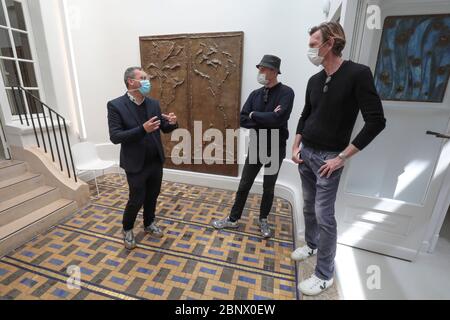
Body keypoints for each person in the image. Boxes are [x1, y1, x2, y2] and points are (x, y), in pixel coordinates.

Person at [291, 22, 386, 296]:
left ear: (330, 43)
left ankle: (324, 274)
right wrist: (296, 145)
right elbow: (305, 114)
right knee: (309, 206)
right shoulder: (315, 79)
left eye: (313, 44)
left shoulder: (358, 74)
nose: (310, 50)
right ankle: (311, 244)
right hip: (306, 153)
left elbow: (376, 121)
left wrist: (342, 157)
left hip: (329, 158)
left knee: (324, 215)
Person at [211, 55, 295, 239]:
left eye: (263, 69)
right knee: (244, 184)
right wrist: (265, 119)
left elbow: (279, 119)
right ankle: (233, 219)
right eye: (259, 69)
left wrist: (254, 114)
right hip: (256, 144)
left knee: (269, 187)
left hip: (275, 145)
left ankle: (263, 219)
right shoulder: (255, 94)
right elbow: (242, 118)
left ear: (273, 71)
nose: (260, 72)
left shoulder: (286, 93)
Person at [107, 66, 178, 250]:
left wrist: (172, 123)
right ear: (131, 81)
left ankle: (148, 223)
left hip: (155, 160)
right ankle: (127, 228)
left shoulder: (153, 103)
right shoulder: (116, 105)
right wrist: (142, 130)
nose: (147, 81)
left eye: (147, 77)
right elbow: (115, 137)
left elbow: (162, 127)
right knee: (137, 198)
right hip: (135, 163)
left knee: (153, 195)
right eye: (143, 77)